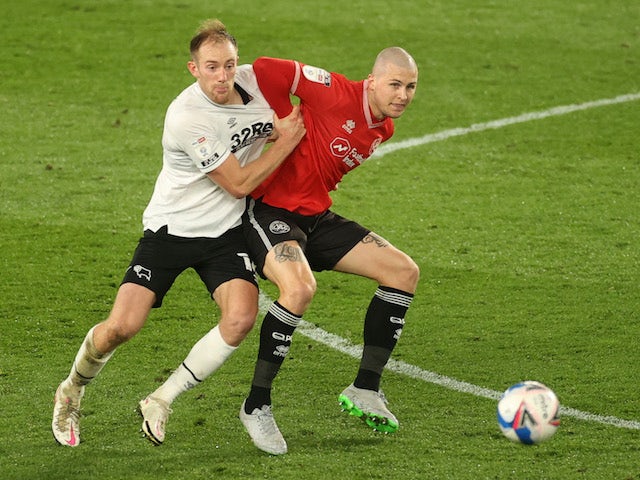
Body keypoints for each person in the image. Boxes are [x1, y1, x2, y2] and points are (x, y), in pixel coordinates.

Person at [51, 18, 305, 447]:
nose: (222, 76)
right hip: (171, 230)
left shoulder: (257, 84)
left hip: (224, 233)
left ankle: (162, 398)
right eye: (211, 67)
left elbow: (308, 91)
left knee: (241, 317)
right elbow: (238, 183)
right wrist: (284, 142)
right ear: (194, 69)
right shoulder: (188, 116)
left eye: (228, 65)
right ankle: (72, 389)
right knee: (122, 327)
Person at [235, 48, 420, 455]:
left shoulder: (384, 128)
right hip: (270, 213)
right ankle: (256, 404)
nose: (403, 94)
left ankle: (365, 389)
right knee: (299, 290)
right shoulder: (333, 89)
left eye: (410, 87)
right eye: (394, 84)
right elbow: (268, 68)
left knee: (403, 271)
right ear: (371, 80)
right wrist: (284, 118)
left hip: (316, 218)